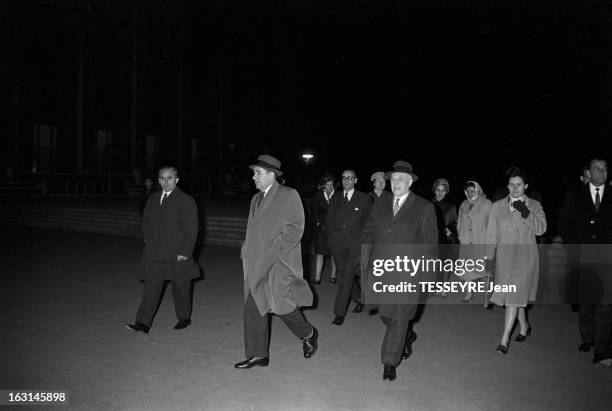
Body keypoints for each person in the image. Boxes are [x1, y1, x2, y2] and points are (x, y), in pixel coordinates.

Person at [234, 155, 318, 369]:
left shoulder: (289, 195)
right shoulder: (256, 199)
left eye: (258, 173)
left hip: (278, 263)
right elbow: (253, 230)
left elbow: (295, 228)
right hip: (255, 263)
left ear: (272, 174)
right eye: (254, 173)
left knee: (282, 307)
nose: (254, 177)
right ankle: (257, 354)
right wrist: (246, 250)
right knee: (253, 306)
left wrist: (271, 251)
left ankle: (308, 333)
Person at [361, 160, 438, 381]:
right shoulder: (381, 203)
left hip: (408, 274)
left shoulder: (424, 207)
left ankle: (389, 362)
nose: (396, 183)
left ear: (410, 182)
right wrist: (364, 265)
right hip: (381, 271)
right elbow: (368, 235)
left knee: (399, 316)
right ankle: (407, 335)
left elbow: (430, 246)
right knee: (387, 313)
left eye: (401, 179)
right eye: (393, 179)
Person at [126, 166, 199, 334]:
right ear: (158, 180)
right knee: (150, 288)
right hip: (155, 253)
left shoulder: (186, 200)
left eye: (170, 178)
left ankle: (184, 317)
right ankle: (143, 323)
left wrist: (185, 253)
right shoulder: (153, 198)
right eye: (163, 178)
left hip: (177, 253)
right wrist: (148, 239)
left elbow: (192, 230)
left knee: (181, 287)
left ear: (177, 180)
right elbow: (146, 220)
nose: (166, 182)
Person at [485, 167, 547, 354]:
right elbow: (491, 235)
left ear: (525, 186)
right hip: (505, 259)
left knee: (513, 297)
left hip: (525, 259)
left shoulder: (534, 205)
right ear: (507, 186)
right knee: (514, 297)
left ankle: (504, 341)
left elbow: (541, 229)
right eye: (511, 185)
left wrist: (524, 211)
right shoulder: (498, 206)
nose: (515, 188)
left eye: (519, 184)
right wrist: (489, 258)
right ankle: (524, 325)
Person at [559, 158, 612, 367]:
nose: (602, 171)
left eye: (605, 168)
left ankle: (602, 350)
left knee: (606, 304)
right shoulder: (575, 196)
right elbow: (564, 223)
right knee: (587, 303)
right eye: (597, 168)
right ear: (588, 172)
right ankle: (588, 337)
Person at [327, 169, 373, 325]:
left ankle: (339, 313)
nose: (347, 181)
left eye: (350, 178)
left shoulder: (365, 198)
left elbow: (369, 224)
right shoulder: (336, 198)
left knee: (345, 278)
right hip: (338, 246)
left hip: (355, 247)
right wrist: (332, 241)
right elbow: (330, 221)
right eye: (344, 178)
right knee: (347, 277)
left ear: (356, 180)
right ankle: (360, 298)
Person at [456, 181, 492, 302]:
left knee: (484, 270)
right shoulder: (464, 204)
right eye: (468, 191)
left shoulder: (487, 203)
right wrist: (460, 235)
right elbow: (459, 221)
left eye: (473, 191)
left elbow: (492, 224)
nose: (470, 193)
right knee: (467, 269)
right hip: (466, 242)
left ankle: (487, 293)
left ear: (478, 190)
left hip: (481, 241)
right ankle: (468, 293)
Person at [431, 178, 458, 297]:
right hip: (432, 238)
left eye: (443, 190)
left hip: (445, 238)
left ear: (446, 192)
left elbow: (454, 221)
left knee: (446, 264)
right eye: (438, 190)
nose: (440, 193)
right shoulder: (429, 204)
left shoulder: (450, 205)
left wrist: (449, 230)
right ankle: (436, 286)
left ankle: (444, 287)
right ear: (434, 190)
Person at [310, 174, 337, 284]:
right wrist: (317, 223)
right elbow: (314, 210)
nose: (330, 187)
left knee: (334, 253)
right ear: (323, 186)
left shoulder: (338, 195)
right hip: (321, 229)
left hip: (335, 229)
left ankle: (333, 276)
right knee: (320, 253)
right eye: (327, 185)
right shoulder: (319, 195)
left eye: (331, 185)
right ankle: (317, 278)